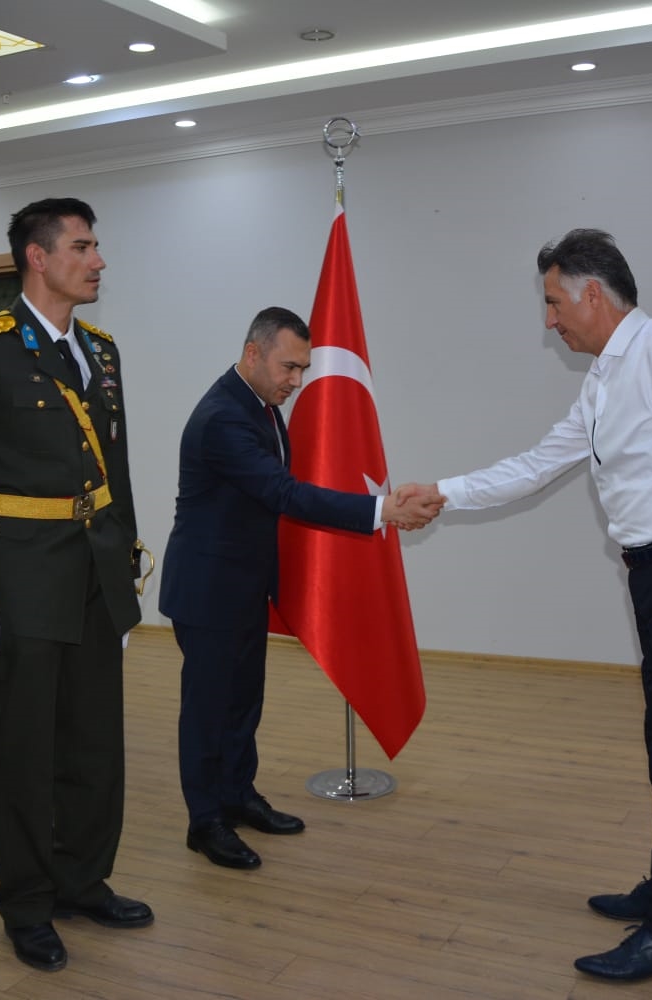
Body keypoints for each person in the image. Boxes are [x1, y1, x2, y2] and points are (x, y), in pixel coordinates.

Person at [399, 228, 652, 982]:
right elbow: (541, 463)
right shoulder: (605, 376)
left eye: (553, 303)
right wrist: (444, 491)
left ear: (592, 293)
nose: (549, 321)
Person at [0, 197, 150, 975]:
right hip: (19, 581)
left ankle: (82, 880)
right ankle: (26, 904)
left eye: (96, 246)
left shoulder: (100, 352)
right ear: (38, 257)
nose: (98, 260)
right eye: (82, 247)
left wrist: (123, 573)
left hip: (92, 577)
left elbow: (115, 473)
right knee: (22, 752)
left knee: (95, 742)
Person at [160, 307, 444, 870]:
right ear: (252, 354)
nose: (297, 380)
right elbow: (284, 493)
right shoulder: (223, 418)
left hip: (244, 586)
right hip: (208, 590)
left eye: (303, 369)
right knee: (208, 710)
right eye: (289, 367)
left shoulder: (260, 406)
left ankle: (238, 796)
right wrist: (380, 510)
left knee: (243, 701)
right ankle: (205, 821)